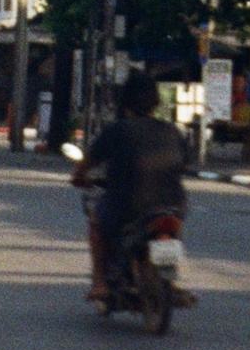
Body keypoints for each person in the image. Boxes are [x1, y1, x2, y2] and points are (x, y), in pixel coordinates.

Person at [73, 71, 189, 303]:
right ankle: (171, 281)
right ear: (155, 102)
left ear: (125, 101)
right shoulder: (172, 131)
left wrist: (79, 176)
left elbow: (88, 161)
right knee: (172, 230)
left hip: (128, 204)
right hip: (173, 203)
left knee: (96, 223)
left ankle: (99, 283)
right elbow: (184, 163)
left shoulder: (117, 130)